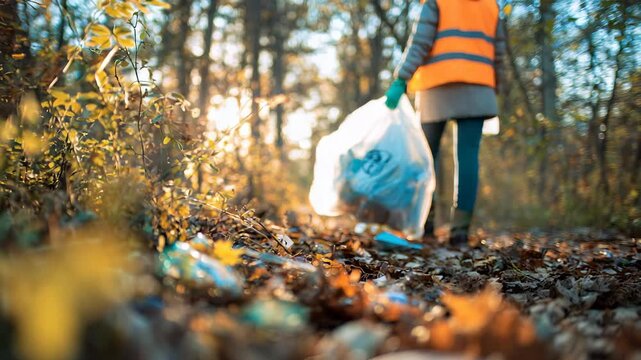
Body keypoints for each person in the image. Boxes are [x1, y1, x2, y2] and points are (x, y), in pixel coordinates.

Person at [384, 0, 506, 246]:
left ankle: (424, 225)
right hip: (479, 88)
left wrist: (401, 79)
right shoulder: (491, 5)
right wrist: (497, 88)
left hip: (436, 87)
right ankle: (459, 232)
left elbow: (420, 43)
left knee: (425, 156)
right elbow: (499, 54)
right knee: (469, 157)